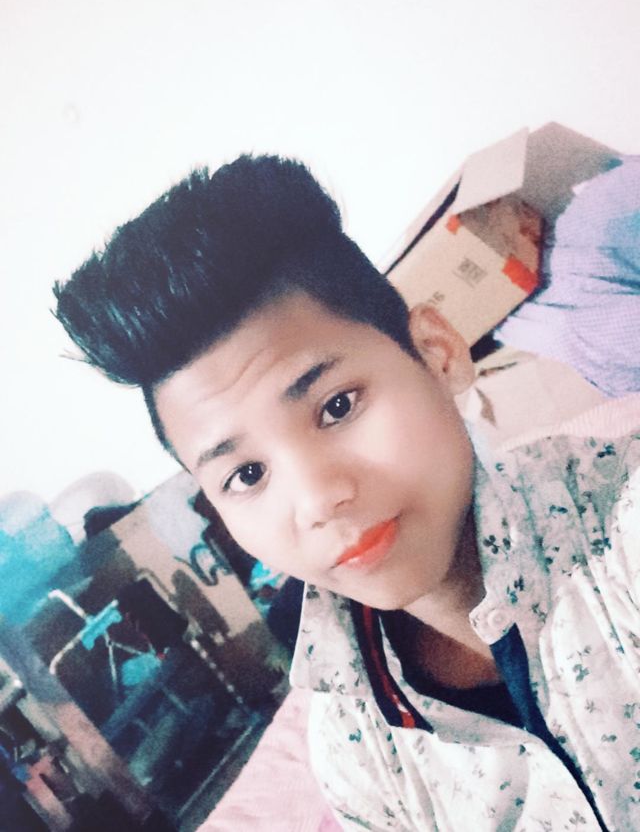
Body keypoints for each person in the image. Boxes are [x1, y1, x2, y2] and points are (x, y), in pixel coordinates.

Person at [53, 155, 640, 831]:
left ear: (438, 354)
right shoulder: (354, 753)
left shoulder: (620, 528)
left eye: (337, 407)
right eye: (247, 475)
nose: (316, 499)